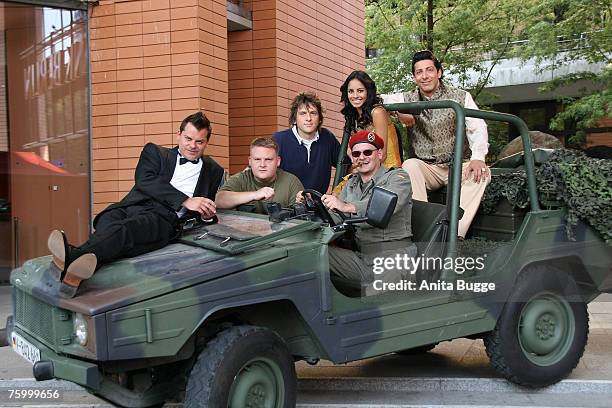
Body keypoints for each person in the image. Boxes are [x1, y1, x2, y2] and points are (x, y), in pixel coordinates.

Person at [47, 111, 224, 298]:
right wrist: (185, 199)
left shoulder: (214, 171)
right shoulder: (155, 152)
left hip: (164, 217)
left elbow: (209, 207)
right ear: (178, 135)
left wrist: (206, 216)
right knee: (109, 222)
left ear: (206, 142)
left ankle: (70, 257)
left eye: (199, 142)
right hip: (131, 205)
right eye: (188, 139)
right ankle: (74, 276)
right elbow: (144, 181)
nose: (192, 146)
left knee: (124, 230)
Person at [395, 50, 490, 238]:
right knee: (409, 166)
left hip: (457, 165)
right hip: (428, 168)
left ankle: (453, 233)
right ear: (414, 77)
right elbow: (377, 101)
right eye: (419, 72)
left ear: (439, 72)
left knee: (482, 174)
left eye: (429, 70)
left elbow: (477, 127)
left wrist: (478, 157)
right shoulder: (406, 98)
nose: (424, 76)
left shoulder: (461, 96)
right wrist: (398, 112)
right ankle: (424, 230)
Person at [314, 129, 416, 294]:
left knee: (373, 299)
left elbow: (385, 206)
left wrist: (347, 206)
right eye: (356, 154)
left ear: (380, 154)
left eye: (368, 152)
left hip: (394, 257)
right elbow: (338, 215)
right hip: (363, 257)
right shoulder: (351, 184)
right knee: (309, 254)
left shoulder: (397, 177)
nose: (361, 157)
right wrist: (317, 208)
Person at [273, 92, 340, 193]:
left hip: (317, 203)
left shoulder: (328, 138)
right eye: (303, 113)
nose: (308, 118)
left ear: (320, 118)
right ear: (294, 118)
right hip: (287, 204)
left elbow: (346, 168)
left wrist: (338, 193)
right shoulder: (279, 140)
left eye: (313, 113)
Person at [216, 137, 304, 214]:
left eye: (268, 159)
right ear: (250, 161)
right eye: (257, 159)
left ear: (278, 161)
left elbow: (301, 217)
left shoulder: (291, 182)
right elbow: (219, 200)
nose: (262, 164)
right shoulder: (241, 179)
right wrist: (254, 195)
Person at [340, 70, 402, 169]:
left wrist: (358, 167)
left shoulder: (378, 112)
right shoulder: (353, 117)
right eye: (351, 91)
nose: (355, 96)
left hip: (387, 172)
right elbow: (352, 152)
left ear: (368, 92)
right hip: (365, 169)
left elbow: (382, 155)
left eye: (360, 91)